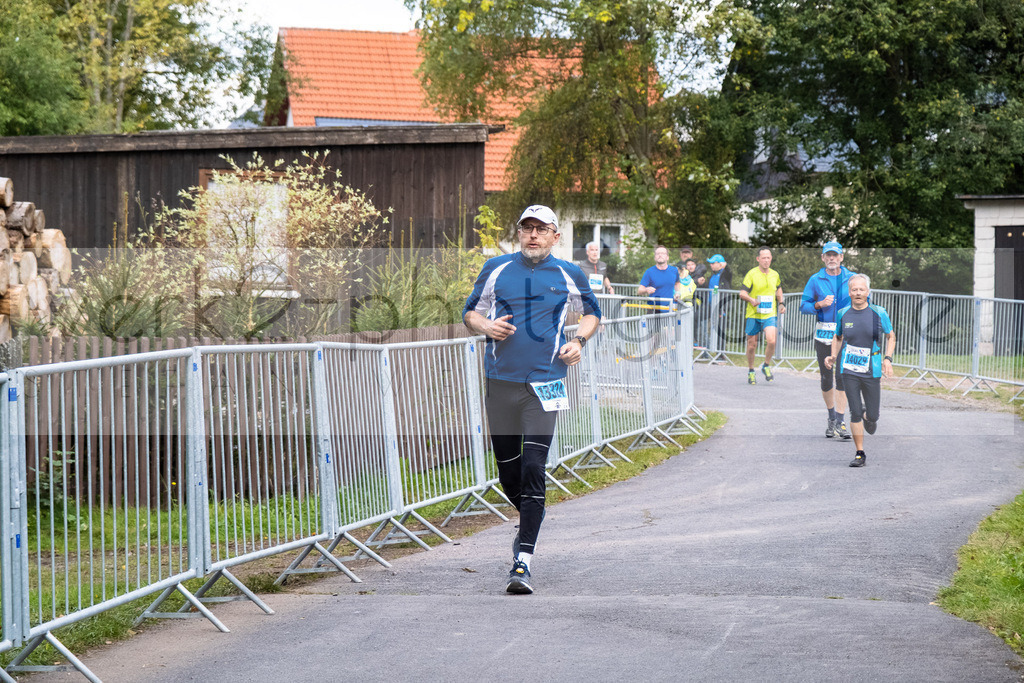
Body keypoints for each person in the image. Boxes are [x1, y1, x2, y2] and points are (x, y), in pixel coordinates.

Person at [463, 204, 601, 594]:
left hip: (546, 383)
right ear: (519, 233)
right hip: (500, 383)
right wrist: (485, 325)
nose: (533, 235)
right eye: (527, 228)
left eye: (542, 229)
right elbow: (470, 312)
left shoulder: (569, 273)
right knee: (509, 472)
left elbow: (592, 313)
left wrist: (579, 340)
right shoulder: (497, 268)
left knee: (534, 467)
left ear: (556, 236)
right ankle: (529, 518)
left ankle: (523, 561)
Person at [824, 274, 895, 467]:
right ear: (849, 292)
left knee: (873, 416)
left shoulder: (879, 312)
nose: (857, 293)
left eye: (861, 289)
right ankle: (859, 453)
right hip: (848, 369)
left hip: (871, 370)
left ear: (868, 292)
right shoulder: (843, 313)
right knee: (854, 412)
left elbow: (891, 336)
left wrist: (887, 359)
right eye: (854, 289)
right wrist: (832, 356)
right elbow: (837, 337)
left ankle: (868, 415)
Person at [800, 241, 855, 440]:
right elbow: (803, 306)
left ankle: (840, 421)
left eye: (835, 255)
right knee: (826, 377)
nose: (832, 258)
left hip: (845, 335)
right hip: (823, 335)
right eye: (828, 255)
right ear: (823, 258)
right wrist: (818, 304)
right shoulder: (816, 279)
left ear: (841, 257)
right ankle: (831, 416)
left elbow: (864, 300)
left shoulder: (851, 278)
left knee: (842, 377)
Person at [738, 246, 785, 384]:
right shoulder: (751, 274)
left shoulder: (775, 274)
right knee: (752, 345)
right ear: (758, 259)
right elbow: (742, 293)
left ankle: (765, 365)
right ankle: (751, 370)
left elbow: (779, 288)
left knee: (772, 340)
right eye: (763, 258)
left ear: (771, 259)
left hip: (769, 314)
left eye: (768, 258)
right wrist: (751, 299)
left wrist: (781, 303)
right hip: (753, 314)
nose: (766, 260)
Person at [638, 245, 681, 310]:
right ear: (655, 257)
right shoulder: (649, 272)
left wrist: (677, 293)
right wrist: (646, 290)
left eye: (663, 253)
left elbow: (677, 283)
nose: (660, 255)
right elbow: (639, 291)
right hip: (653, 309)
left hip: (669, 309)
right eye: (658, 253)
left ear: (667, 257)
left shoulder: (674, 270)